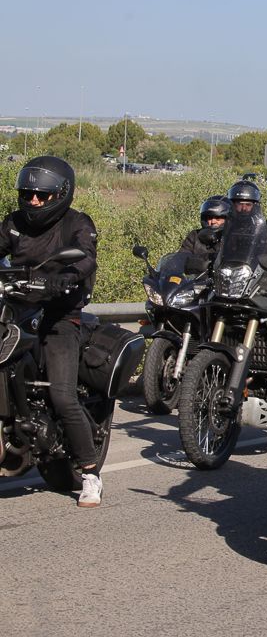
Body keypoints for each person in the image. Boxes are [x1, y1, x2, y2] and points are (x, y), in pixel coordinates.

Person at [0, 157, 101, 507]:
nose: (33, 201)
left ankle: (90, 474)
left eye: (41, 196)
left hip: (59, 315)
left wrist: (67, 277)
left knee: (61, 396)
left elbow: (86, 257)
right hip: (18, 309)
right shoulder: (13, 223)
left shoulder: (77, 223)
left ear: (61, 194)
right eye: (28, 194)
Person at [179, 195, 230, 263]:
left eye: (218, 218)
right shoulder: (194, 235)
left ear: (227, 219)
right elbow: (182, 258)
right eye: (210, 218)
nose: (213, 221)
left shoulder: (234, 236)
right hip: (196, 269)